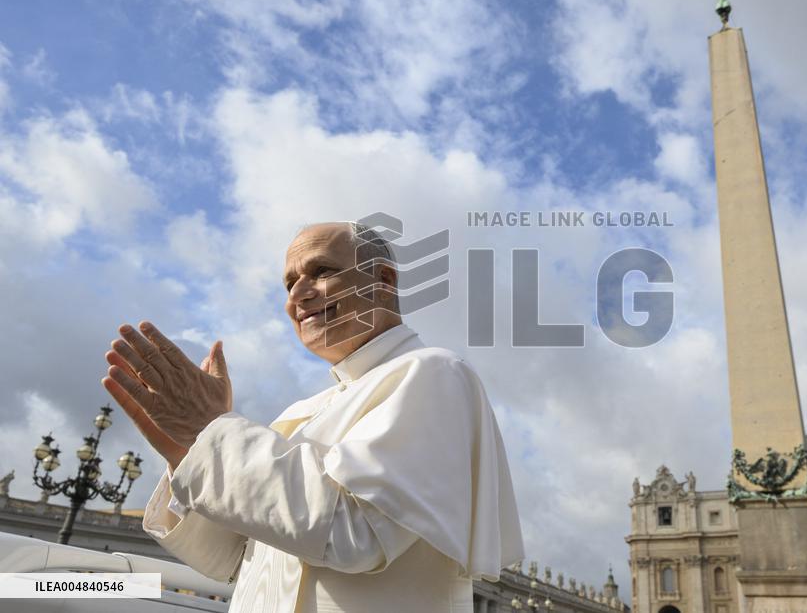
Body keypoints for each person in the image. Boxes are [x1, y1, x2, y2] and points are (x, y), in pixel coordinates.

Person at [101, 221, 523, 612]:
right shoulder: (301, 412)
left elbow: (356, 534)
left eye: (320, 271)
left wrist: (215, 433)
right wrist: (191, 453)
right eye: (289, 282)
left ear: (383, 281)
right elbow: (227, 557)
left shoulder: (432, 372)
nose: (296, 296)